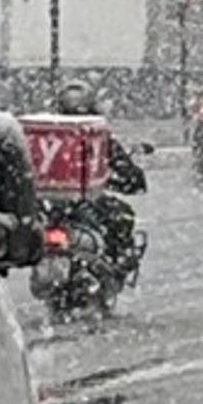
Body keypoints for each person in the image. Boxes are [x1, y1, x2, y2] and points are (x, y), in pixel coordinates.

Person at [47, 80, 147, 279]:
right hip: (79, 207)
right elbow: (132, 180)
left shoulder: (48, 138)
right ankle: (116, 265)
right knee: (123, 217)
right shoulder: (98, 138)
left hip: (50, 207)